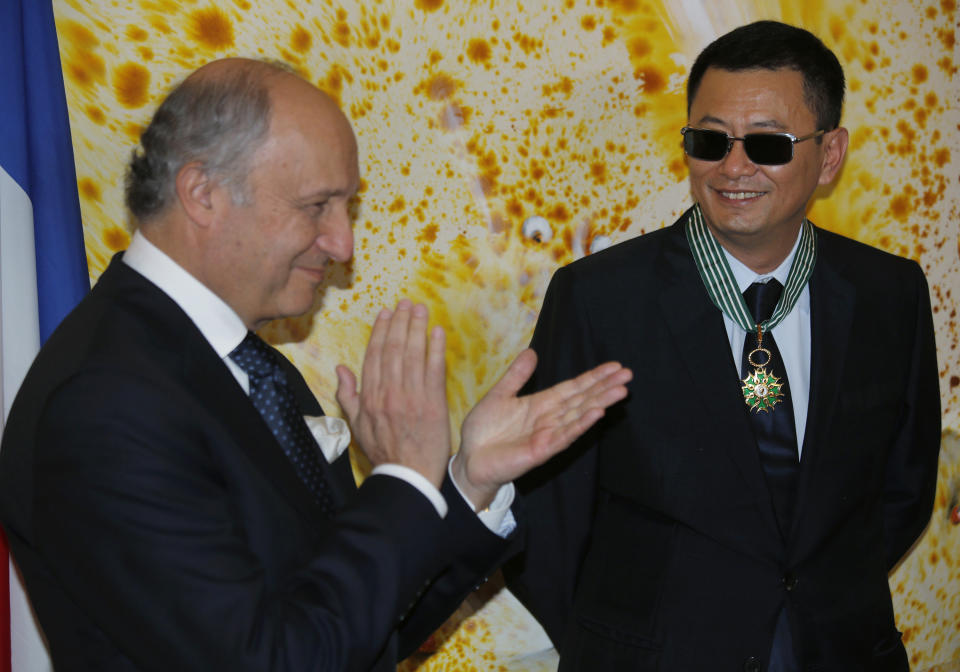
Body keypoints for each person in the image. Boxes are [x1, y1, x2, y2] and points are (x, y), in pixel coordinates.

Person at [0, 58, 632, 672]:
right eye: (316, 206)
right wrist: (405, 480)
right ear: (202, 193)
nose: (342, 244)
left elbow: (355, 626)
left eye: (346, 207)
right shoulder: (106, 402)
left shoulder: (254, 369)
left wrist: (467, 482)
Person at [504, 20, 940, 672]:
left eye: (766, 143)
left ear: (829, 155)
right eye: (710, 141)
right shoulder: (599, 301)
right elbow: (546, 522)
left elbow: (904, 489)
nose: (733, 168)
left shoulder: (889, 293)